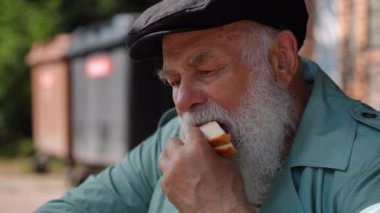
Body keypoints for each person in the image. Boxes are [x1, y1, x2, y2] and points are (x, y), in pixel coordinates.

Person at [36, 0, 380, 212]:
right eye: (174, 81)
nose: (184, 101)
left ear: (282, 60)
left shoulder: (369, 161)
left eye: (205, 70)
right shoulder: (175, 140)